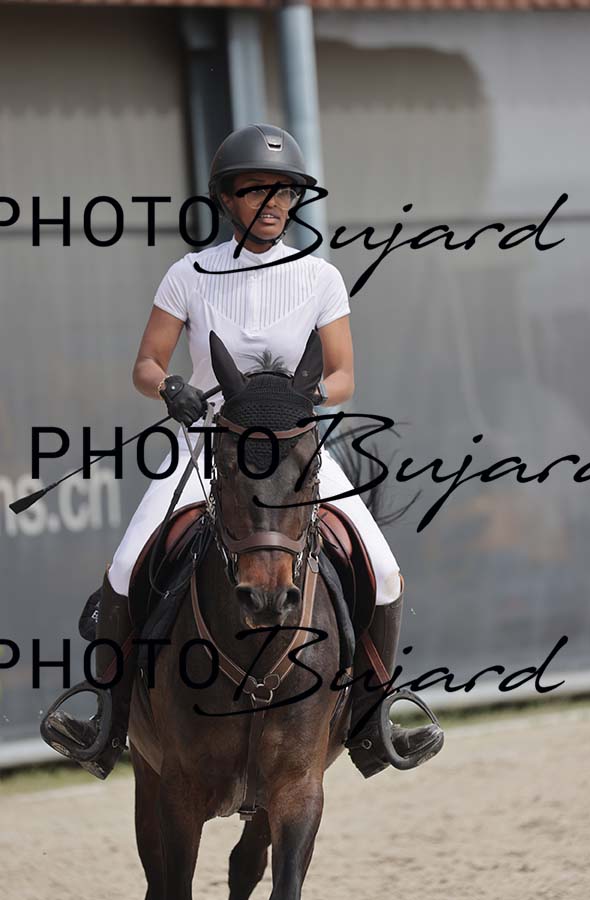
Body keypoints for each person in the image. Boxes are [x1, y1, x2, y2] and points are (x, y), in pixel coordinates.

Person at [41, 123, 443, 779]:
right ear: (228, 199)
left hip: (291, 450)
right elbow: (146, 364)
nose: (272, 203)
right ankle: (106, 721)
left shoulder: (320, 277)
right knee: (125, 566)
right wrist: (169, 387)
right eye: (257, 190)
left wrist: (301, 397)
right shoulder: (188, 275)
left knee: (387, 572)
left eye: (283, 192)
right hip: (206, 445)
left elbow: (344, 375)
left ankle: (374, 722)